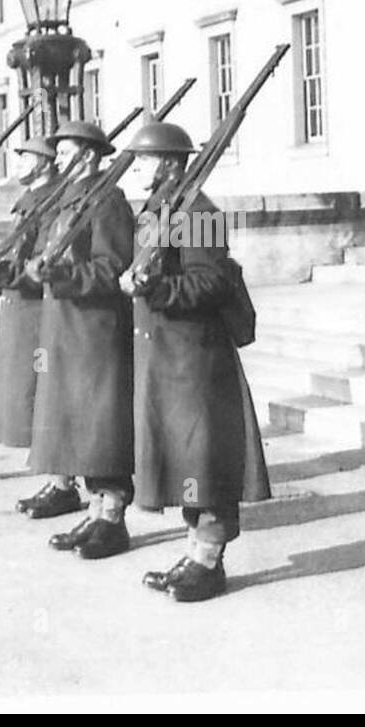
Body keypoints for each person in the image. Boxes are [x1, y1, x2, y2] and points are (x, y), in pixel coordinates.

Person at [120, 122, 271, 602]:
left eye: (144, 160)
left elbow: (211, 282)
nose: (136, 167)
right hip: (167, 356)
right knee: (185, 458)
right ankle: (193, 552)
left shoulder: (197, 210)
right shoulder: (157, 208)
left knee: (204, 460)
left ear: (168, 162)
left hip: (196, 360)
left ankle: (209, 562)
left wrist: (156, 289)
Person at [22, 121, 135, 558]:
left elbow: (112, 266)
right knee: (78, 422)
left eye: (66, 151)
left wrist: (65, 276)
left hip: (95, 330)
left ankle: (113, 518)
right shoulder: (68, 199)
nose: (58, 159)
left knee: (101, 425)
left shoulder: (107, 201)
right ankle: (95, 510)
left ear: (88, 156)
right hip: (67, 326)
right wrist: (38, 269)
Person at [0, 137, 59, 450]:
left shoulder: (51, 199)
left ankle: (56, 474)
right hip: (20, 304)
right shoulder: (31, 197)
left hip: (35, 309)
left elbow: (43, 257)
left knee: (38, 389)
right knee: (22, 389)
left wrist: (7, 274)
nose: (19, 163)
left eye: (27, 158)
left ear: (46, 163)